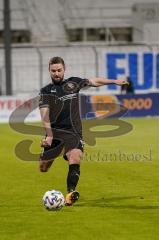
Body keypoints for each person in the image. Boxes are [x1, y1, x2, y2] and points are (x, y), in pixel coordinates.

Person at [39, 56, 128, 206]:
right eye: (53, 70)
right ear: (49, 71)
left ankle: (70, 193)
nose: (56, 73)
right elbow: (44, 114)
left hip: (74, 133)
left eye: (59, 70)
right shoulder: (46, 91)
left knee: (75, 157)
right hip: (55, 134)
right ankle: (55, 154)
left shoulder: (74, 83)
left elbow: (94, 81)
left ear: (64, 69)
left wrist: (114, 81)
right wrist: (49, 136)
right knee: (43, 168)